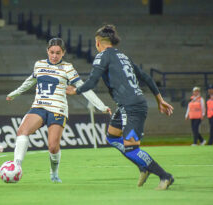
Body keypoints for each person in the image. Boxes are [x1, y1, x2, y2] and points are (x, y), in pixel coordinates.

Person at [66, 25, 174, 190]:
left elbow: (92, 81)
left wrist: (76, 90)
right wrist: (159, 100)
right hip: (128, 105)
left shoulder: (102, 57)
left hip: (132, 107)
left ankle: (165, 176)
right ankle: (142, 167)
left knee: (131, 148)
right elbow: (146, 77)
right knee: (112, 136)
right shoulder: (123, 56)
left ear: (98, 43)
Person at [6, 38, 111, 183]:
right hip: (39, 106)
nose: (54, 56)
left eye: (58, 53)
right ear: (47, 51)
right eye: (52, 52)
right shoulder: (39, 65)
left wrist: (101, 106)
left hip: (58, 109)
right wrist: (15, 93)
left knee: (53, 146)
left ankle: (54, 173)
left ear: (63, 53)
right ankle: (16, 166)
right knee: (22, 131)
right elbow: (29, 81)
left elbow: (83, 87)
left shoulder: (67, 68)